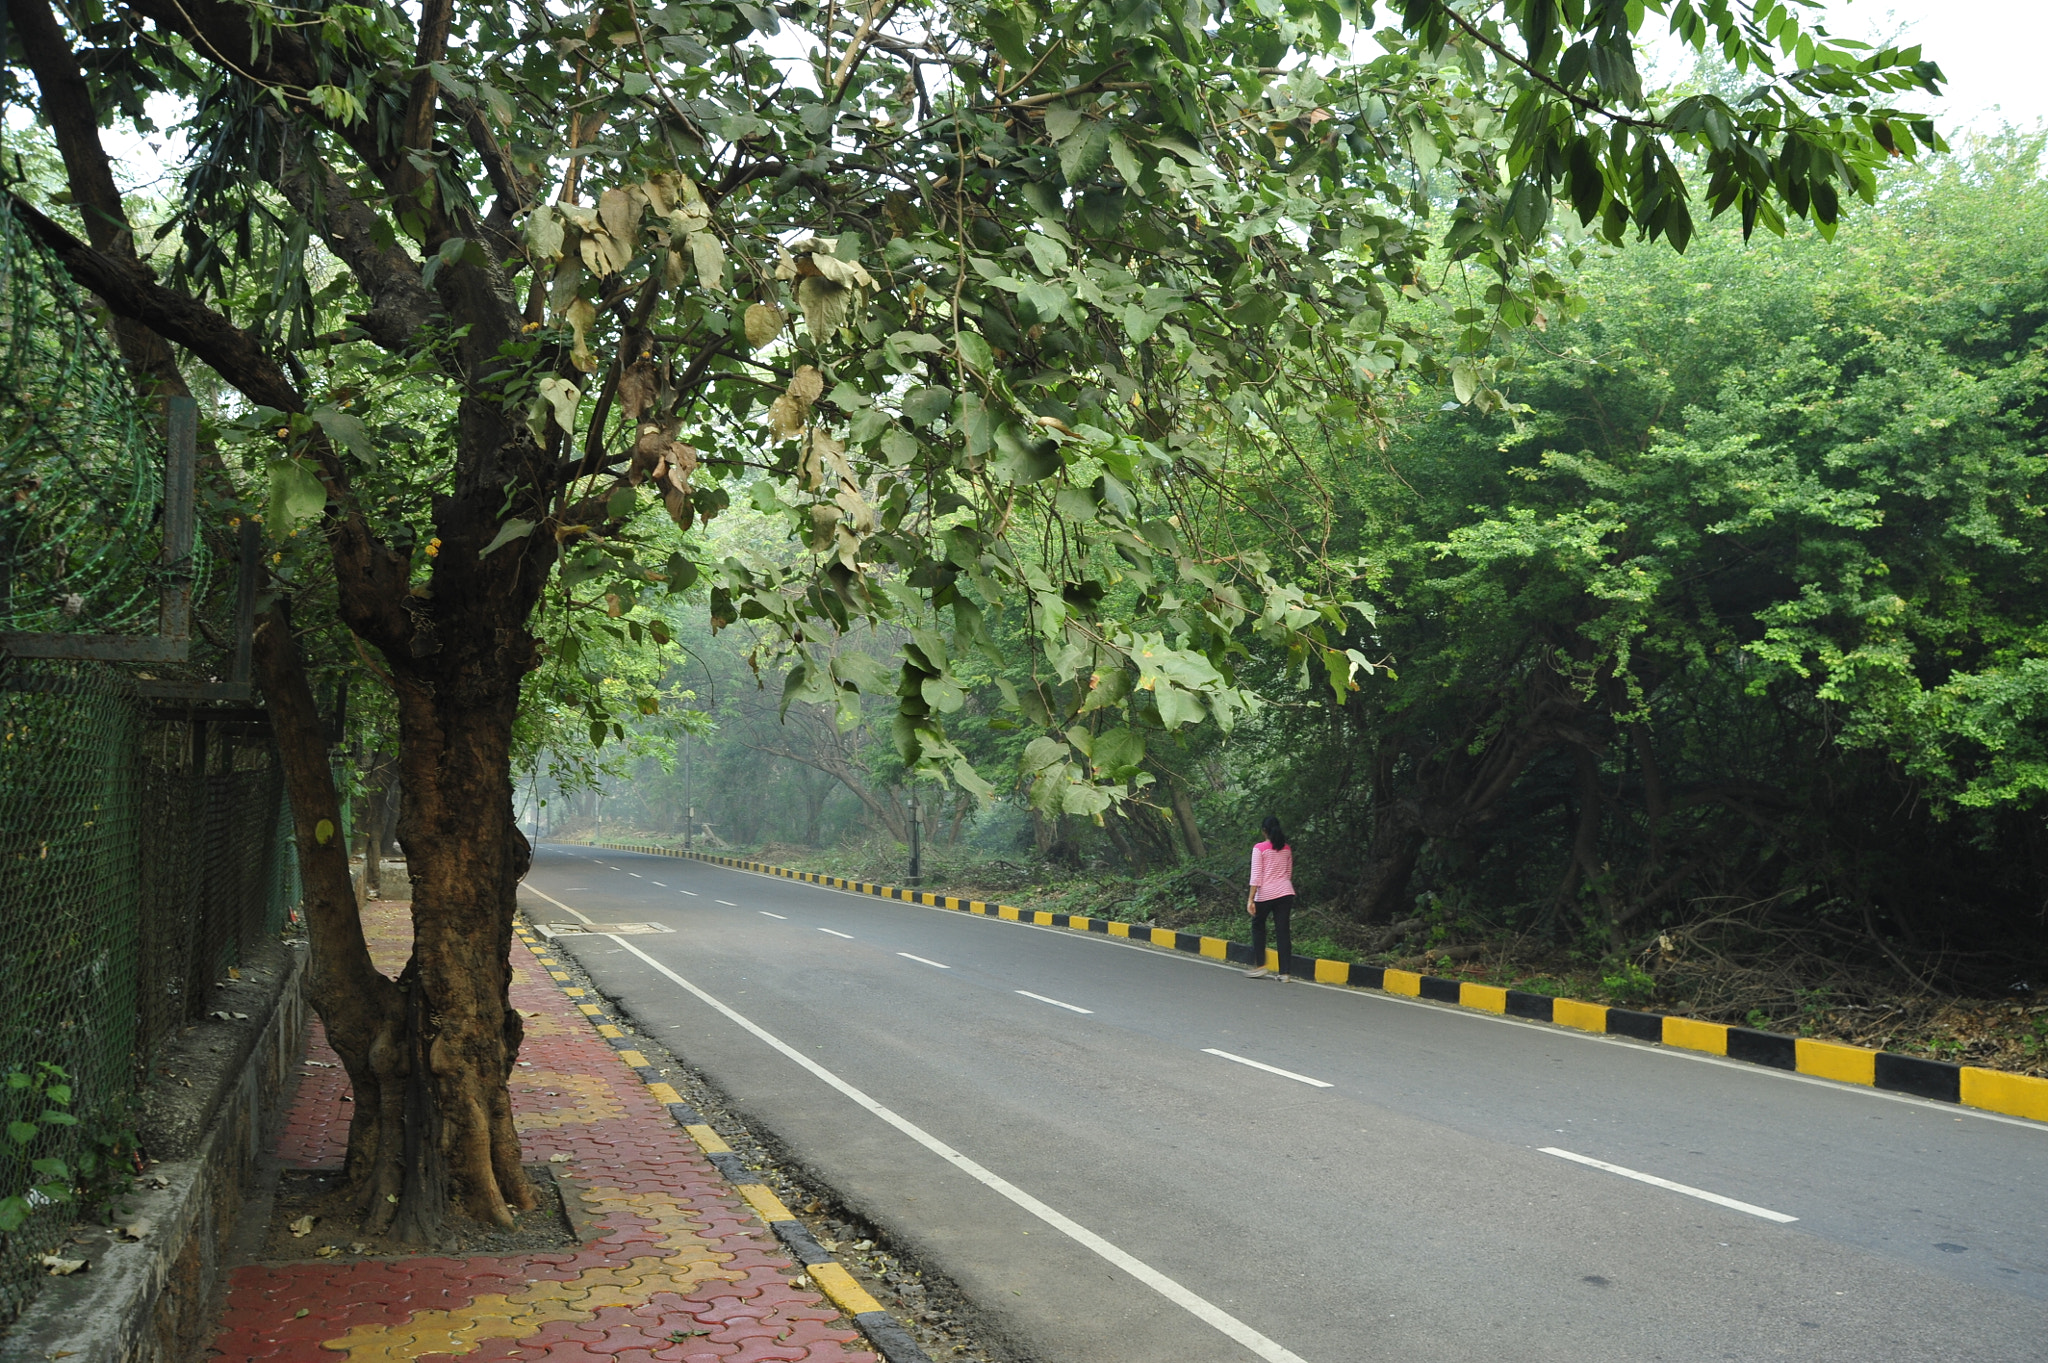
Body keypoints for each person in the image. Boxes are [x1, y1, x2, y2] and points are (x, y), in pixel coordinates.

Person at [1245, 816, 1296, 981]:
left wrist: (1250, 899)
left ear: (1264, 831)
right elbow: (1288, 873)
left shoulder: (1259, 848)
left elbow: (1256, 876)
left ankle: (1260, 965)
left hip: (1266, 893)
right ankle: (1285, 973)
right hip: (1285, 892)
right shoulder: (1287, 849)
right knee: (1283, 931)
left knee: (1258, 926)